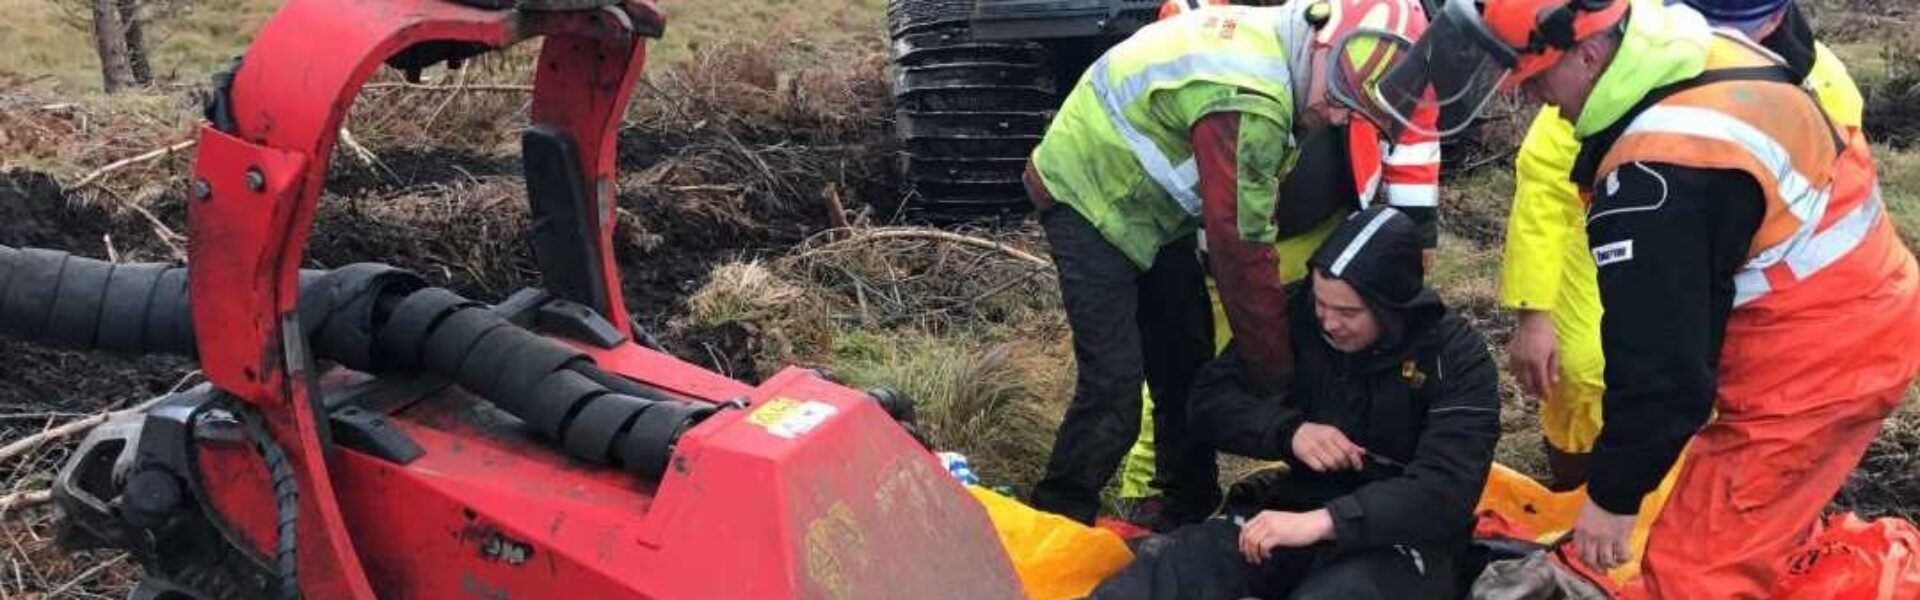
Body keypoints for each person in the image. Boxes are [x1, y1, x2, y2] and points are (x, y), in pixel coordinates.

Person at [1361, 0, 1920, 596]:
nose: (1536, 100)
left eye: (1538, 79)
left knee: (1697, 571)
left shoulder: (1656, 179)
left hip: (1817, 366)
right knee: (1734, 525)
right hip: (1852, 309)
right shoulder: (1692, 47)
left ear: (1590, 51)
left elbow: (1664, 375)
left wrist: (1612, 499)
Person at [1022, 0, 1429, 527]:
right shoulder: (1249, 98)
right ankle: (1057, 516)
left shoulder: (1286, 48)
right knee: (1114, 389)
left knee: (1186, 352)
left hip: (1151, 209)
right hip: (1088, 194)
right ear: (1323, 45)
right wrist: (1278, 375)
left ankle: (1186, 505)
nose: (1335, 116)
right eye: (1340, 96)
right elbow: (1241, 248)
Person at [1497, 0, 1866, 492]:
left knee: (1705, 380)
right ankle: (1574, 486)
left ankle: (1663, 492)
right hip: (1601, 218)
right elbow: (1546, 181)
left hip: (1743, 251)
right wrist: (1533, 312)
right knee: (1581, 368)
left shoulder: (1820, 82)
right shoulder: (1621, 65)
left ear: (1776, 20)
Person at [1088, 206, 1501, 600]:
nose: (1328, 322)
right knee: (1181, 562)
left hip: (1401, 540)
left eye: (1348, 312)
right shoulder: (1298, 313)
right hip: (1293, 509)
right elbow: (1210, 401)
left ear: (1392, 307)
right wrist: (1289, 432)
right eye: (1321, 304)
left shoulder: (1454, 357)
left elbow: (1446, 489)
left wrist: (1327, 522)